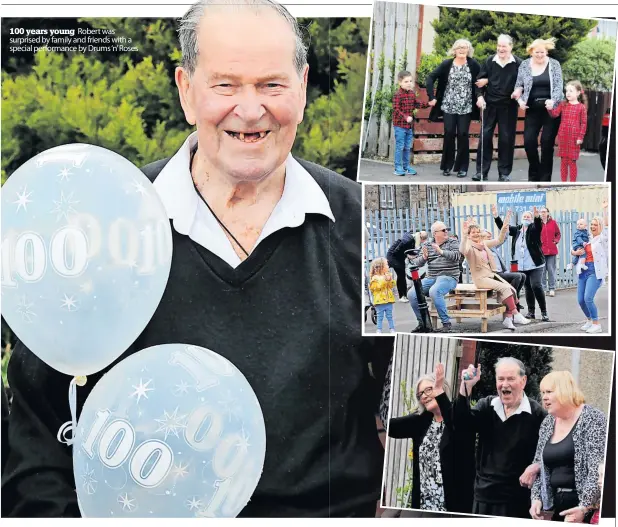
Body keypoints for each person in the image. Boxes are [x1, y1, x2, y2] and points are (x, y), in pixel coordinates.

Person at [2, 0, 385, 517]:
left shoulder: (368, 228)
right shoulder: (104, 225)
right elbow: (36, 443)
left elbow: (412, 398)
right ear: (186, 90)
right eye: (225, 85)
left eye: (271, 85)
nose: (250, 111)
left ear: (302, 85)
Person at [454, 358, 547, 518]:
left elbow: (549, 453)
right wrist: (466, 387)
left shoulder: (538, 415)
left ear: (523, 381)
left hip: (517, 502)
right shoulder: (487, 406)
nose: (505, 384)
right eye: (501, 379)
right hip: (484, 498)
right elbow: (460, 425)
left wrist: (537, 465)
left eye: (511, 379)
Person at [388, 364, 474, 513]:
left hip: (453, 508)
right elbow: (391, 427)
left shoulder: (456, 418)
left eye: (429, 389)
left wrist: (463, 385)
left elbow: (460, 423)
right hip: (424, 506)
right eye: (420, 394)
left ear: (442, 388)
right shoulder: (421, 421)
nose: (424, 396)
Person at [530, 371, 607, 523]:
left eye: (549, 392)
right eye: (543, 392)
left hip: (582, 508)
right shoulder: (547, 423)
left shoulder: (593, 418)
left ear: (565, 391)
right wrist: (537, 499)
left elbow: (596, 468)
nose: (544, 397)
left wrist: (584, 507)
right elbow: (539, 464)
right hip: (555, 507)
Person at [459, 214, 530, 330]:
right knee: (505, 288)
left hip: (490, 275)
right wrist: (464, 235)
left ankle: (508, 319)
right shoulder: (469, 246)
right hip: (480, 279)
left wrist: (504, 227)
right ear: (469, 235)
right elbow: (463, 250)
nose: (476, 234)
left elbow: (499, 240)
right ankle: (515, 314)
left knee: (512, 289)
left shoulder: (483, 244)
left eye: (478, 231)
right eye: (473, 232)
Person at [426, 39, 481, 178]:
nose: (462, 50)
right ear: (454, 50)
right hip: (448, 105)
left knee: (463, 134)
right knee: (449, 133)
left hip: (466, 106)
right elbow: (430, 77)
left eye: (465, 47)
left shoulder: (473, 65)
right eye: (459, 47)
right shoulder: (447, 64)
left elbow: (481, 80)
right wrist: (432, 96)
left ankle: (462, 167)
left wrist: (481, 92)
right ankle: (447, 166)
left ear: (469, 50)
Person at [512, 38, 564, 182]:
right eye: (537, 52)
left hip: (550, 110)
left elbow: (559, 87)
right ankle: (534, 172)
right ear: (531, 52)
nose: (540, 55)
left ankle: (545, 178)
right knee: (529, 142)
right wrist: (519, 98)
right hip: (532, 109)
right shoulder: (524, 65)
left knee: (547, 143)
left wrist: (553, 100)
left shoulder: (554, 64)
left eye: (542, 52)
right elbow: (519, 85)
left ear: (546, 51)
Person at [474, 35, 523, 182]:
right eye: (499, 46)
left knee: (506, 140)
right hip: (490, 104)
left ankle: (504, 173)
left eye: (504, 46)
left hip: (509, 106)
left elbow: (524, 83)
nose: (501, 49)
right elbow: (479, 83)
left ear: (511, 47)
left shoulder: (518, 63)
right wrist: (479, 97)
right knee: (485, 137)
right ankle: (481, 172)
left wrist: (519, 90)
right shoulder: (490, 61)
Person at [493, 204, 549, 322]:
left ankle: (544, 312)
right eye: (525, 216)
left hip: (535, 264)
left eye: (529, 216)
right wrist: (496, 216)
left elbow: (539, 226)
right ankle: (531, 312)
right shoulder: (517, 230)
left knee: (536, 285)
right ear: (521, 219)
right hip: (521, 265)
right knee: (528, 287)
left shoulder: (534, 228)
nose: (527, 218)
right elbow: (503, 227)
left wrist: (537, 217)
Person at [406, 221, 462, 332]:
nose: (446, 231)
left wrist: (441, 251)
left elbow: (457, 257)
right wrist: (424, 257)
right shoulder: (427, 244)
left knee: (434, 291)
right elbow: (417, 262)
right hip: (431, 277)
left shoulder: (453, 242)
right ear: (435, 233)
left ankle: (446, 324)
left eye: (446, 229)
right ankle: (423, 323)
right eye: (443, 230)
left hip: (449, 276)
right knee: (412, 294)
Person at [572, 200, 609, 334]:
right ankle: (589, 320)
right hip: (583, 270)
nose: (593, 226)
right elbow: (575, 246)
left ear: (599, 226)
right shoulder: (587, 237)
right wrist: (574, 252)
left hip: (595, 271)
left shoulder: (603, 239)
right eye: (592, 224)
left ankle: (596, 324)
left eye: (596, 225)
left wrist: (604, 210)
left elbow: (607, 226)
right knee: (581, 300)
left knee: (588, 298)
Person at [546, 81, 588, 183]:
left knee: (572, 162)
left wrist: (580, 137)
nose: (568, 93)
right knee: (563, 162)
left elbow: (583, 124)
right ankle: (563, 182)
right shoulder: (563, 104)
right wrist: (550, 109)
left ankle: (572, 183)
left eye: (571, 91)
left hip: (574, 138)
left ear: (578, 93)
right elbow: (555, 114)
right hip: (563, 136)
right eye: (566, 91)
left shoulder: (581, 107)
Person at [391, 70, 429, 176]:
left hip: (408, 126)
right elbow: (396, 110)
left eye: (410, 81)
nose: (409, 83)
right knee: (400, 146)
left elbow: (417, 103)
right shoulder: (397, 95)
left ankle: (406, 166)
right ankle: (398, 167)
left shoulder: (412, 94)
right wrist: (406, 117)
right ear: (400, 83)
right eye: (406, 81)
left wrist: (428, 104)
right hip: (400, 126)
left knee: (408, 147)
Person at [482, 229, 526, 312]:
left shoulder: (492, 247)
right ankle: (511, 300)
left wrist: (505, 228)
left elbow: (503, 239)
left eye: (490, 237)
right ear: (482, 238)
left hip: (500, 273)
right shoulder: (482, 249)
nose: (490, 239)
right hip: (493, 274)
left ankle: (513, 297)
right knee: (517, 276)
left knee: (523, 276)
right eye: (488, 237)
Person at [369, 257, 397, 334]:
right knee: (380, 317)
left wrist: (390, 281)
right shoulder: (375, 278)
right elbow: (376, 288)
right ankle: (379, 329)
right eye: (387, 265)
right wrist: (385, 281)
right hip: (379, 301)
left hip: (389, 300)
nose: (388, 266)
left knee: (390, 316)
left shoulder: (388, 275)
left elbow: (392, 286)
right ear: (381, 267)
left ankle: (392, 329)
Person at [386, 230, 416, 302]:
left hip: (394, 258)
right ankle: (402, 296)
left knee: (401, 276)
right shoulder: (408, 240)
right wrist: (407, 255)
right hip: (394, 258)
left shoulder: (408, 238)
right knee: (401, 276)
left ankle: (402, 295)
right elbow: (397, 251)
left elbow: (408, 250)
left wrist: (413, 254)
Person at [539, 207, 561, 297]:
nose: (543, 213)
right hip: (541, 251)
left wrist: (555, 241)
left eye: (544, 212)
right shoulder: (538, 224)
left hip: (551, 251)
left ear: (548, 213)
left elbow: (558, 233)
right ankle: (544, 289)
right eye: (541, 212)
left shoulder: (553, 222)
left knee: (551, 270)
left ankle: (552, 288)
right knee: (542, 271)